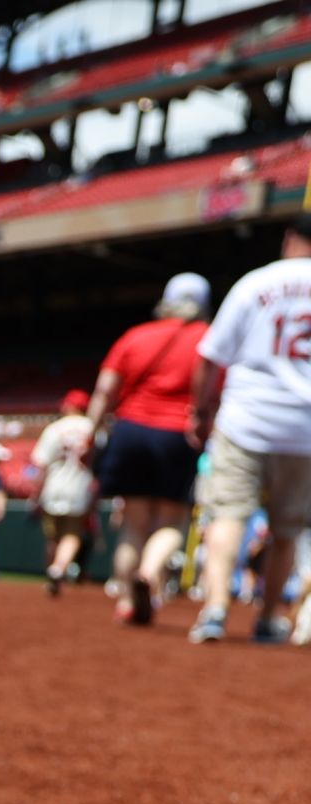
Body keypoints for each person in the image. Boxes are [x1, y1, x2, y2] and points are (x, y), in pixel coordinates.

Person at [184, 214, 311, 644]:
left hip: (248, 419)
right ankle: (269, 617)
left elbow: (209, 357)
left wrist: (200, 412)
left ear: (290, 238)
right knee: (287, 529)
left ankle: (216, 607)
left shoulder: (255, 282)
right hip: (306, 428)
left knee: (229, 515)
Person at [81, 272, 211, 625]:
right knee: (171, 521)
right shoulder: (207, 338)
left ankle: (125, 599)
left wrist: (89, 434)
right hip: (177, 434)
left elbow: (105, 391)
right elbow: (212, 392)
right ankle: (150, 574)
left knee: (133, 525)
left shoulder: (135, 336)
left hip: (130, 430)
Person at [30, 389, 97, 595]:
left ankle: (51, 571)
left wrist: (35, 495)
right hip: (81, 487)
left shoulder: (54, 428)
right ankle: (59, 567)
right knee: (72, 534)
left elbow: (41, 465)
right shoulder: (93, 427)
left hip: (53, 486)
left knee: (53, 536)